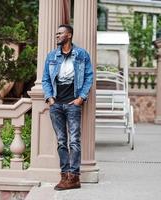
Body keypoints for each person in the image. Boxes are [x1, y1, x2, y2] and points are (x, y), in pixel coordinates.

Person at [42, 24, 93, 190]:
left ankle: (74, 177)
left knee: (74, 141)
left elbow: (88, 77)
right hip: (56, 104)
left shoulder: (81, 54)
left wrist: (81, 98)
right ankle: (64, 176)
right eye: (56, 33)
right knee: (62, 141)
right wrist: (50, 98)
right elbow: (45, 80)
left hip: (73, 104)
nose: (57, 36)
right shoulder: (51, 56)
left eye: (60, 33)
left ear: (69, 35)